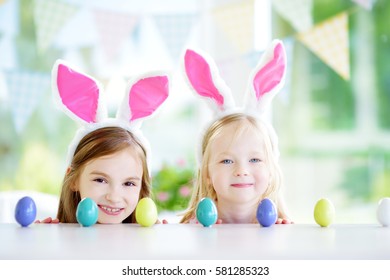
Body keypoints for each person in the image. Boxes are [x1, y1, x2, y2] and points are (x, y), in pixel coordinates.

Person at [36, 60, 169, 224]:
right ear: (74, 180)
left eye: (129, 183)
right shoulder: (55, 238)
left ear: (142, 186)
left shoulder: (149, 240)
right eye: (100, 180)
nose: (113, 197)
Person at [180, 39, 291, 224]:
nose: (242, 171)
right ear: (207, 175)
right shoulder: (194, 228)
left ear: (271, 171)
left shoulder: (281, 228)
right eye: (227, 160)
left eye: (255, 159)